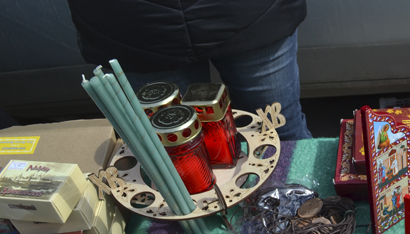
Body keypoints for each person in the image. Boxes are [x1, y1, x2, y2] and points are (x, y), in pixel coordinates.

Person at [66, 0, 311, 141]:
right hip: (133, 25)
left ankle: (305, 208)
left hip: (130, 24)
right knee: (182, 150)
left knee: (277, 133)